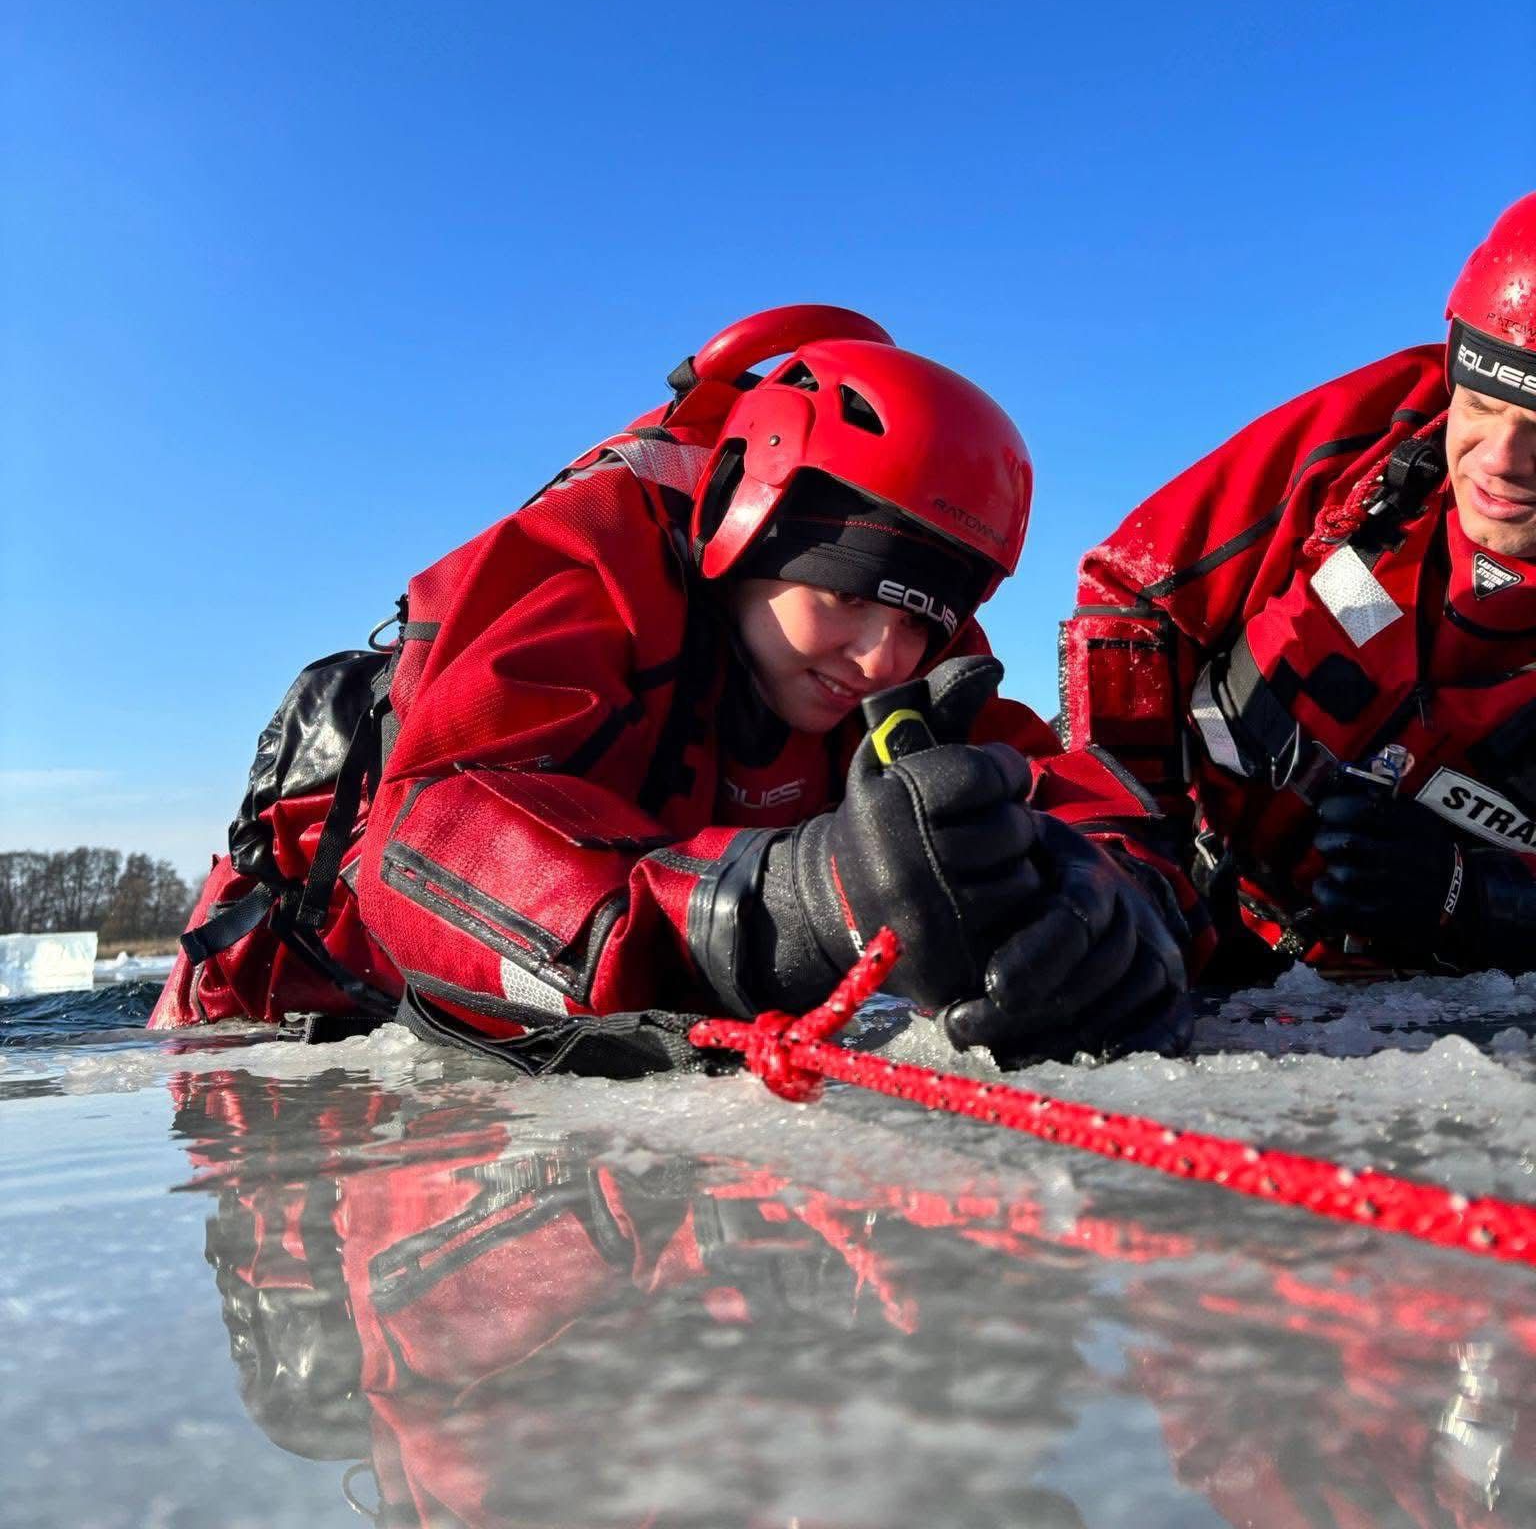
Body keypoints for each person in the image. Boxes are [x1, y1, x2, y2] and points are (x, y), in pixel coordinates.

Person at [353, 303, 1191, 1061]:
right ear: (743, 524)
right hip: (338, 989)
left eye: (920, 621)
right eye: (846, 596)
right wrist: (778, 910)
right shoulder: (595, 566)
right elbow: (431, 840)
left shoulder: (912, 652)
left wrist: (1114, 895)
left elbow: (1047, 782)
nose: (884, 662)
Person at [1059, 194, 1536, 983]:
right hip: (1198, 915)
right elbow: (1136, 597)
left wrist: (1474, 899)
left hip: (1427, 1003)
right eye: (1481, 403)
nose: (1501, 459)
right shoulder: (1375, 441)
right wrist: (1132, 867)